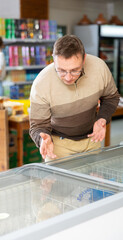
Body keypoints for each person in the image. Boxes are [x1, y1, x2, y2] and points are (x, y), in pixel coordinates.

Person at [29, 34, 120, 162]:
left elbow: (111, 97)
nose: (68, 77)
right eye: (61, 70)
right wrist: (43, 139)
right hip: (57, 146)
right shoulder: (42, 83)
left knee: (93, 182)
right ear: (54, 61)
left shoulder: (99, 68)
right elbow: (37, 125)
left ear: (84, 60)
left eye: (75, 70)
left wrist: (102, 119)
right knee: (58, 182)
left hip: (92, 141)